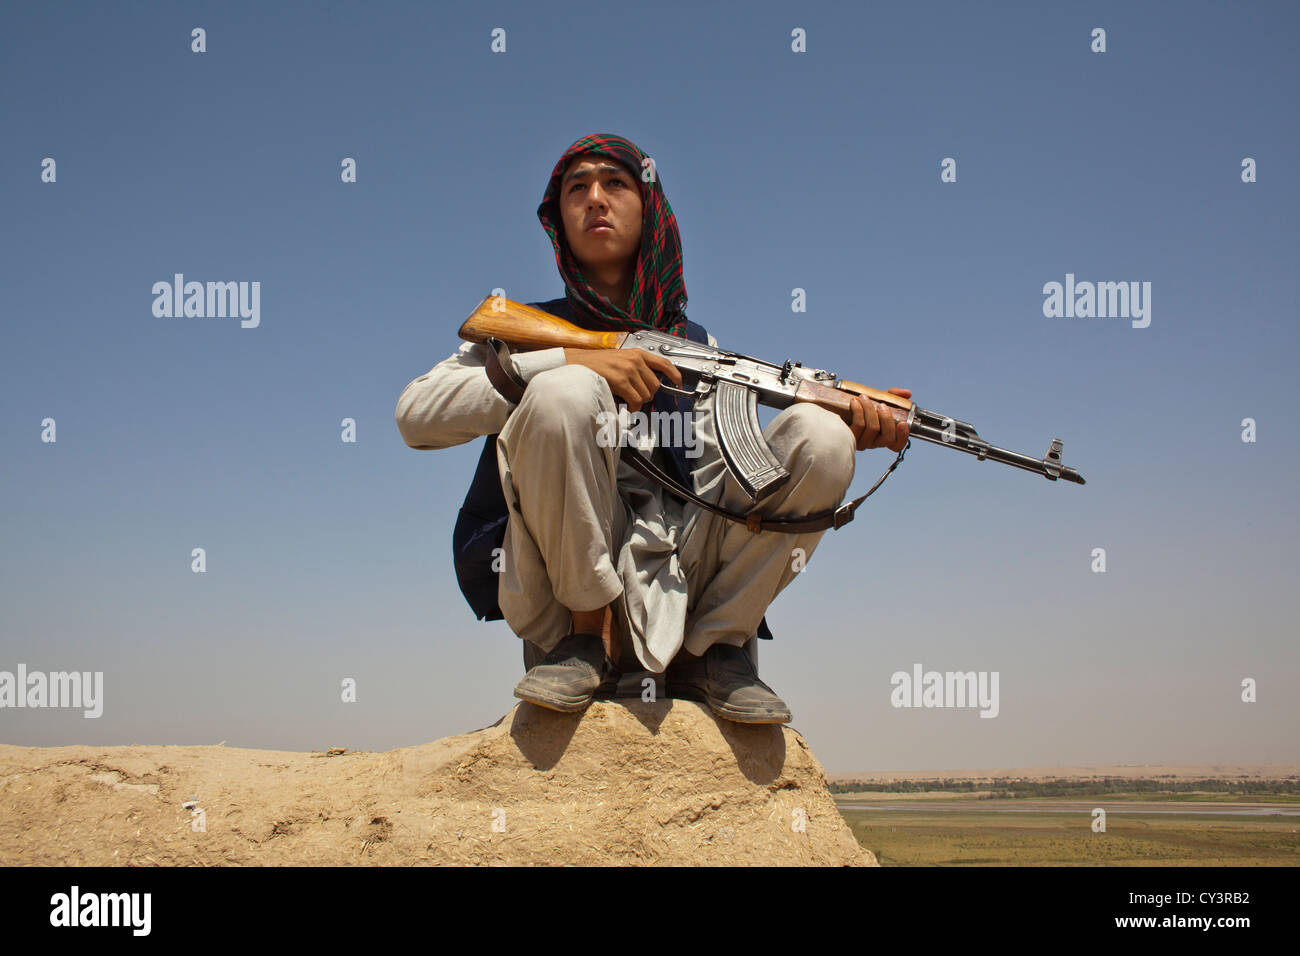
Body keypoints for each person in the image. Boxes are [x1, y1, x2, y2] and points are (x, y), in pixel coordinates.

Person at [396, 133, 909, 724]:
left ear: (650, 210)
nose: (595, 198)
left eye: (615, 184)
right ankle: (584, 640)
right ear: (558, 219)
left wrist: (844, 426)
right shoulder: (521, 332)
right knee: (566, 393)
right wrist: (574, 362)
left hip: (680, 565)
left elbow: (727, 469)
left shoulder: (697, 345)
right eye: (576, 188)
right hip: (566, 582)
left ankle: (715, 651)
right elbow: (415, 415)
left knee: (823, 438)